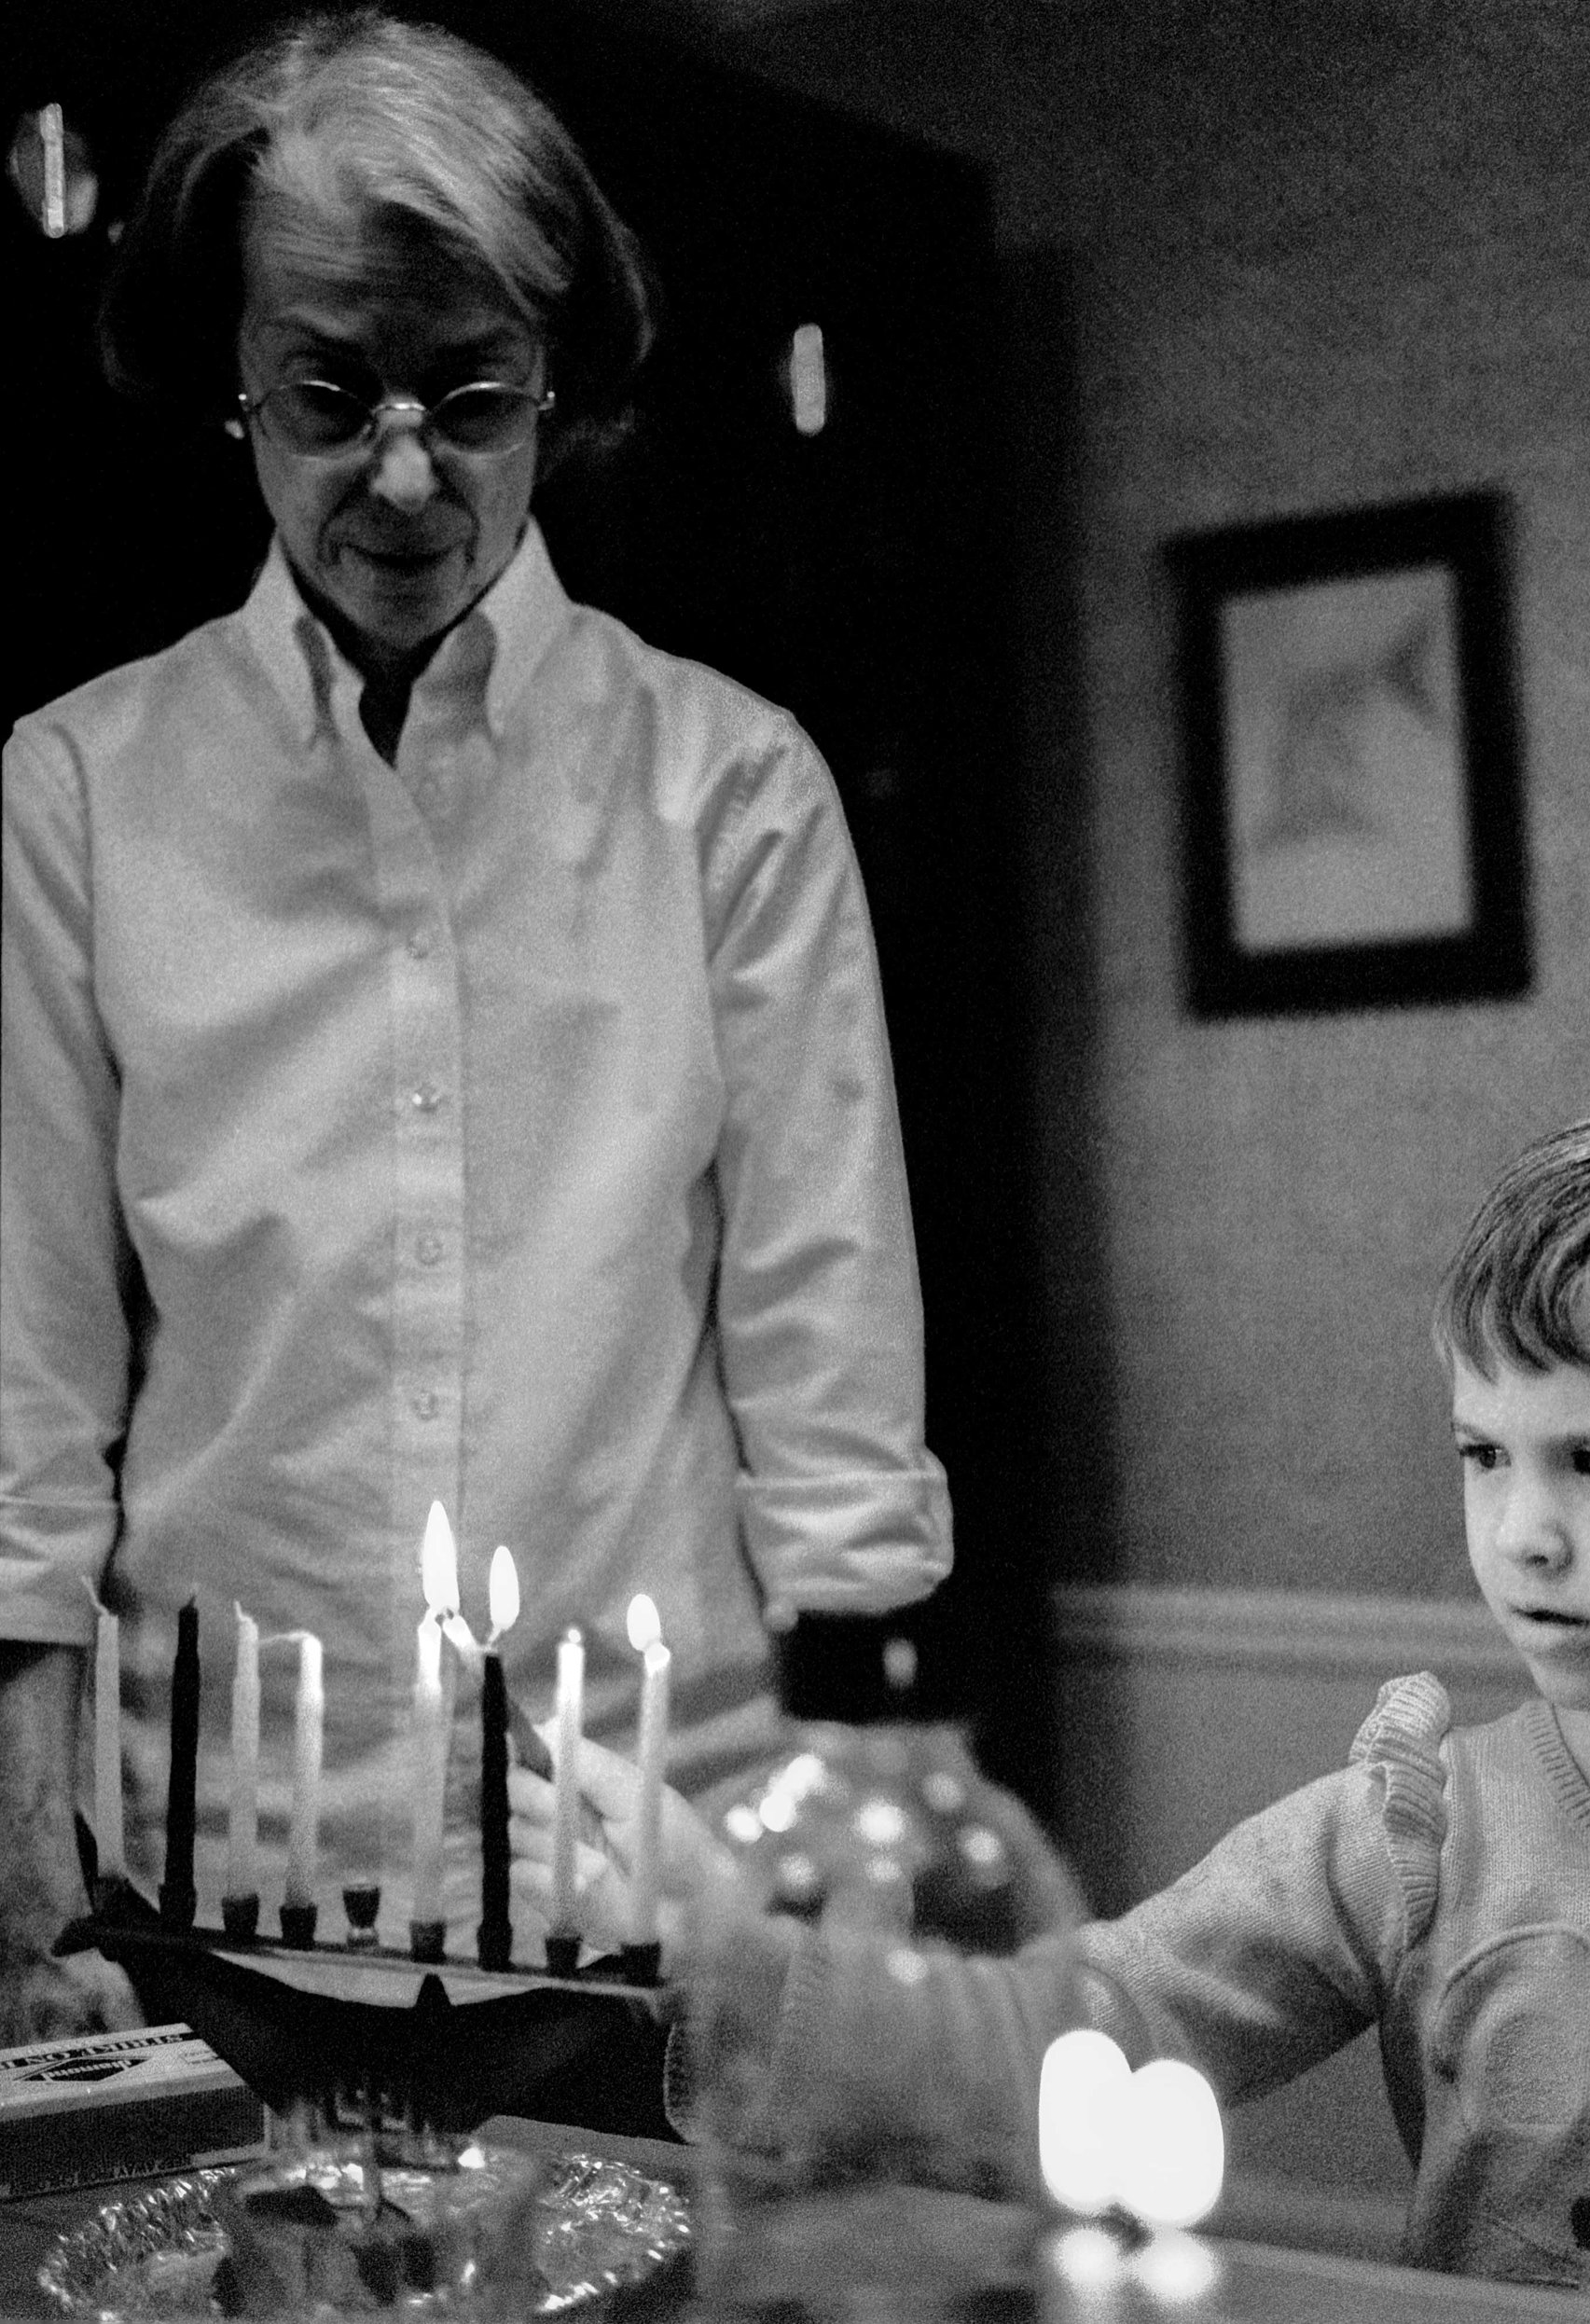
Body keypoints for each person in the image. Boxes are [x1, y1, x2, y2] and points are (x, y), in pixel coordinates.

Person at [515, 1082, 1590, 2318]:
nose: (1522, 1530)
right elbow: (1082, 2030)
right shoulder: (1422, 1826)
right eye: (1484, 1453)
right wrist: (732, 1944)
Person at [0, 8, 950, 2042]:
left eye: (473, 397)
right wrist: (17, 1819)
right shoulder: (75, 791)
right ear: (232, 390)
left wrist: (862, 1834)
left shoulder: (730, 785)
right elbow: (28, 1357)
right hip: (210, 1871)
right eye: (332, 397)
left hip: (651, 1864)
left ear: (559, 391)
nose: (407, 474)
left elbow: (826, 1341)